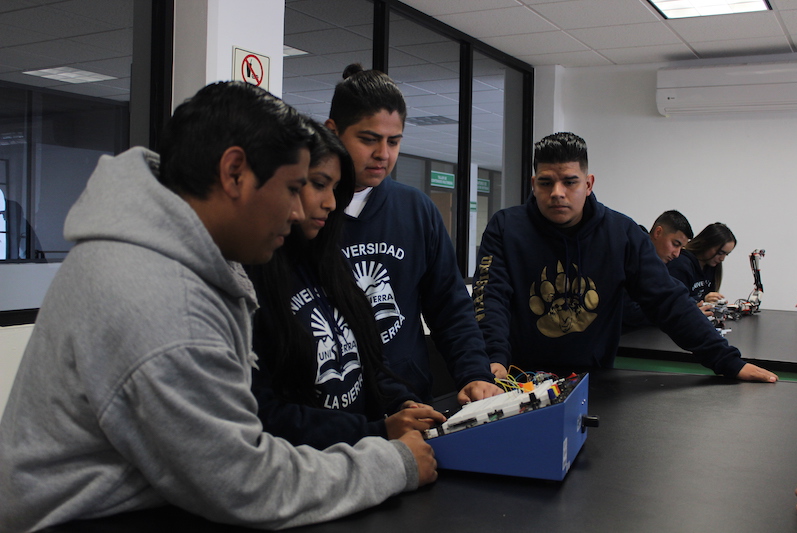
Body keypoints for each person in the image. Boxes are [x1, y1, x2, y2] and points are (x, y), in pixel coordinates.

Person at [0, 82, 436, 533]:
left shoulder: (189, 259)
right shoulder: (157, 296)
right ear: (234, 173)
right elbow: (245, 482)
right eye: (293, 189)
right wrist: (393, 463)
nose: (296, 211)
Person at [472, 131, 776, 383]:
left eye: (570, 181)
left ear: (588, 184)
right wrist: (493, 357)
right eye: (546, 182)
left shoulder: (621, 233)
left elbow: (667, 300)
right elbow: (490, 298)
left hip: (594, 380)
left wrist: (727, 360)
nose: (557, 192)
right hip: (516, 377)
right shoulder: (506, 227)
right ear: (533, 184)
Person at [247, 121, 446, 449]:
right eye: (318, 185)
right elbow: (265, 415)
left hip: (363, 458)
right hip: (311, 466)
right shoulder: (251, 279)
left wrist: (401, 403)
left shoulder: (327, 263)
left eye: (335, 189)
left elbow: (369, 363)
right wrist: (376, 431)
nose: (330, 202)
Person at [325, 63, 502, 402]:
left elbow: (450, 306)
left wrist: (473, 374)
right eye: (368, 139)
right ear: (332, 132)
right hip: (331, 404)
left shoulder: (416, 210)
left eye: (394, 141)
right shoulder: (304, 211)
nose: (383, 154)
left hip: (408, 402)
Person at [622, 210, 701, 329]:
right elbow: (629, 313)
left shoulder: (659, 264)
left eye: (681, 248)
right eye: (675, 244)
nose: (677, 254)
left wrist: (690, 307)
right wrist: (677, 313)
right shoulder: (628, 258)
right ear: (658, 232)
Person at [668, 222, 736, 304]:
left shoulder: (711, 266)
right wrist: (702, 300)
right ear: (706, 244)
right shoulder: (681, 264)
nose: (722, 259)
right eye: (720, 253)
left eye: (726, 254)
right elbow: (675, 301)